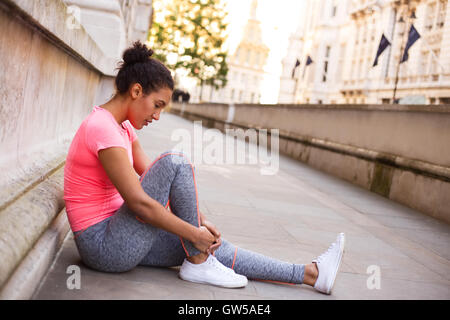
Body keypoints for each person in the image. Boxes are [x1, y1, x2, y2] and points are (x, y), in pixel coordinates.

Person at [63, 41, 345, 294]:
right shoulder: (101, 128)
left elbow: (156, 181)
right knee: (177, 162)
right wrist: (192, 232)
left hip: (121, 234)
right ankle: (198, 262)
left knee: (210, 247)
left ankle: (309, 274)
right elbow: (139, 203)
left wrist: (199, 223)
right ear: (136, 91)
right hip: (104, 248)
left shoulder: (122, 128)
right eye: (157, 105)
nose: (157, 116)